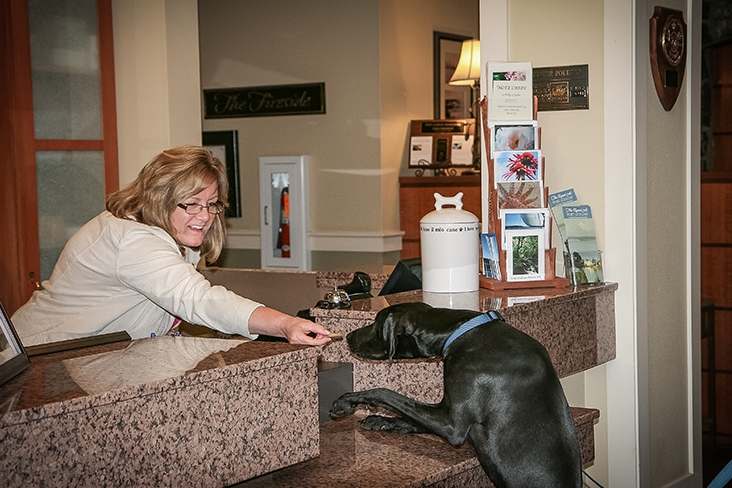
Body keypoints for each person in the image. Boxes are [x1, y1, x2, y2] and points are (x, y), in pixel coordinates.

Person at [12, 145, 332, 347]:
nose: (204, 216)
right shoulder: (133, 239)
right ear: (159, 199)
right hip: (40, 359)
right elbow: (198, 300)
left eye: (211, 204)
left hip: (87, 359)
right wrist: (285, 324)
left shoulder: (169, 230)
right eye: (191, 204)